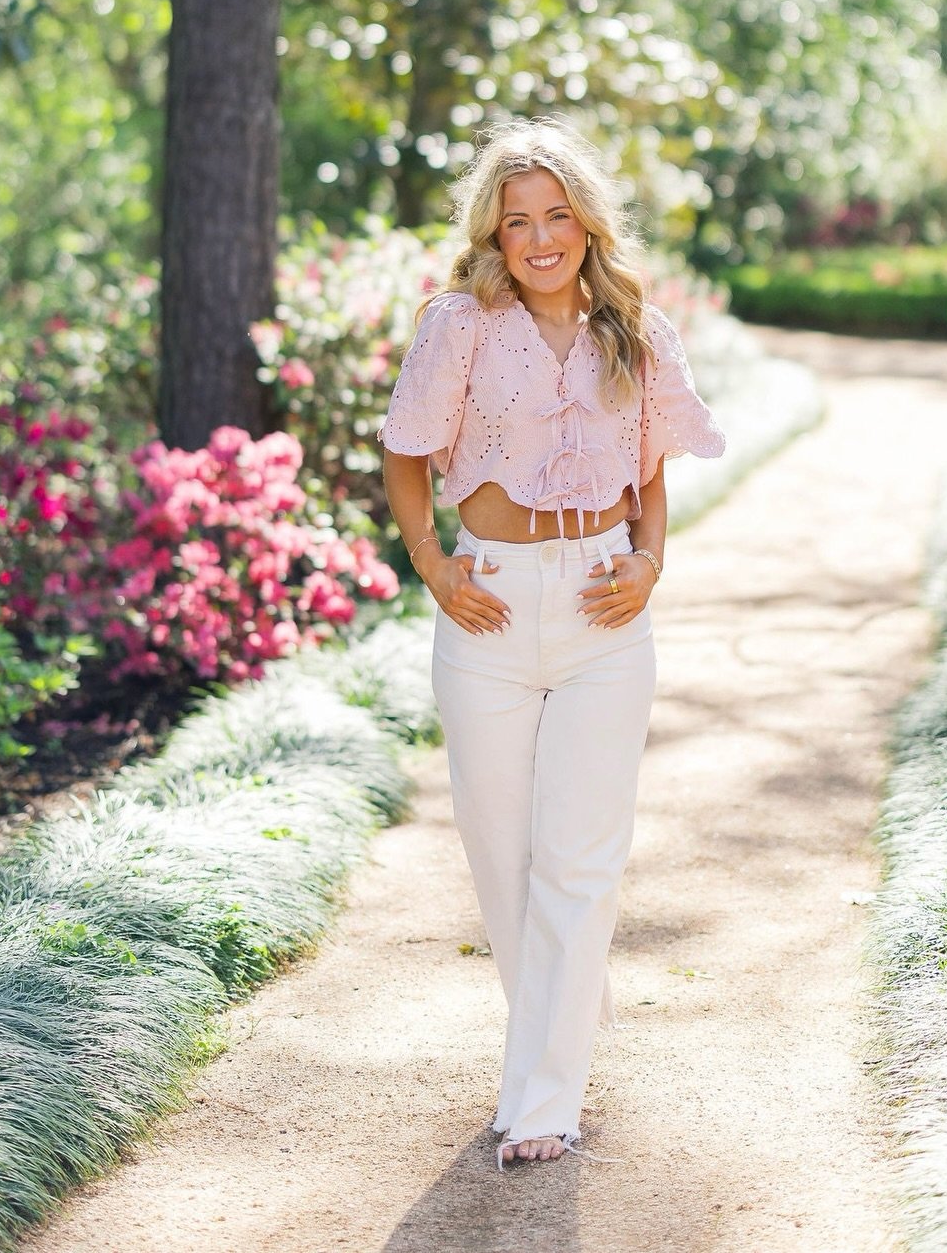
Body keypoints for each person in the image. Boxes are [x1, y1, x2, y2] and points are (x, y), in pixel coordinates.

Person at [378, 118, 727, 1171]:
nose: (539, 238)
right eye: (517, 219)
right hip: (485, 605)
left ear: (585, 221)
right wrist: (435, 570)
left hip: (599, 613)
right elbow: (405, 453)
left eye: (556, 215)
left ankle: (541, 1098)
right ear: (494, 231)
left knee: (579, 861)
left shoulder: (638, 331)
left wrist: (650, 560)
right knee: (504, 856)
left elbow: (651, 471)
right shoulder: (461, 326)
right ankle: (558, 1032)